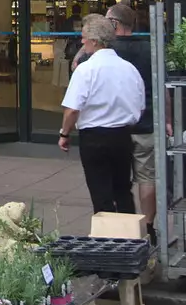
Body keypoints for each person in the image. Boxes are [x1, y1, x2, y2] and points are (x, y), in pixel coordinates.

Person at [82, 4, 161, 240]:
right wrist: (167, 119)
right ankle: (146, 226)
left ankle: (112, 232)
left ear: (114, 25)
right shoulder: (149, 49)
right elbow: (161, 89)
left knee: (113, 184)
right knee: (146, 178)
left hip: (114, 127)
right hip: (145, 122)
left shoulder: (105, 54)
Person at [58, 14, 146, 215]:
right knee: (123, 189)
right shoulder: (129, 69)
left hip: (94, 137)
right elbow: (139, 107)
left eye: (84, 38)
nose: (82, 42)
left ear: (95, 41)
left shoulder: (85, 70)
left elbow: (72, 109)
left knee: (100, 192)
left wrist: (65, 133)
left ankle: (106, 238)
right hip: (122, 135)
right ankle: (130, 237)